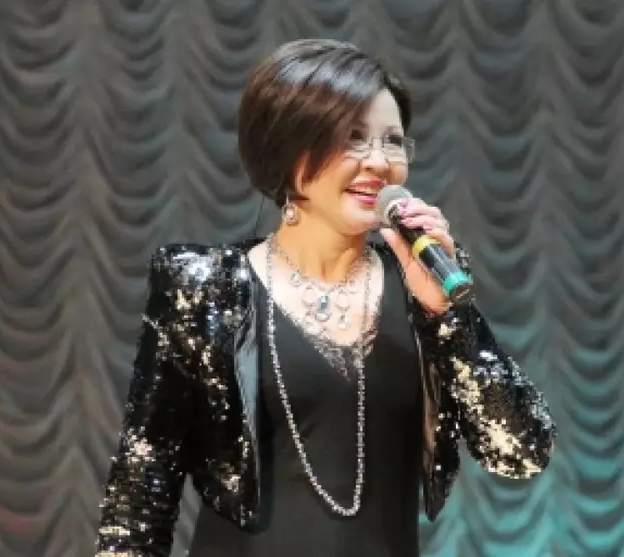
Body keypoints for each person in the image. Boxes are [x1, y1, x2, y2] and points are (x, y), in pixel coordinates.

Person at [94, 38, 557, 557]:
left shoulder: (421, 286)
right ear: (289, 149)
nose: (379, 162)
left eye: (393, 142)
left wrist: (446, 317)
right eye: (353, 138)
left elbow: (521, 452)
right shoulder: (205, 289)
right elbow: (139, 495)